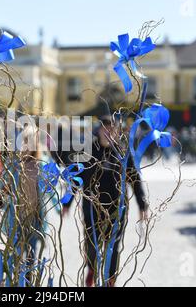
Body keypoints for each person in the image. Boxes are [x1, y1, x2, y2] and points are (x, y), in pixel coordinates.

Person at [61, 116, 147, 287]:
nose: (108, 132)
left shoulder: (123, 153)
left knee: (113, 248)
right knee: (92, 245)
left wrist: (142, 205)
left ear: (117, 131)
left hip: (116, 209)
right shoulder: (88, 152)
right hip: (92, 209)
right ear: (99, 130)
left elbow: (135, 180)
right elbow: (75, 178)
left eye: (112, 129)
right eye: (105, 128)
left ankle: (110, 281)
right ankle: (92, 268)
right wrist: (66, 202)